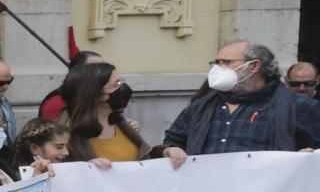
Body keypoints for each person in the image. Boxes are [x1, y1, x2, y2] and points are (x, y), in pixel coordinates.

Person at [162, 41, 320, 162]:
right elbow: (172, 141)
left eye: (227, 62)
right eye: (217, 62)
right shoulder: (201, 106)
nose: (218, 68)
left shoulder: (300, 107)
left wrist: (307, 158)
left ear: (254, 66)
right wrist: (171, 150)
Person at [57, 59, 147, 164]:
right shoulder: (64, 136)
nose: (122, 87)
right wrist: (87, 169)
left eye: (122, 81)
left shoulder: (123, 125)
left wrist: (165, 151)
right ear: (96, 94)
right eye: (116, 83)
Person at [39, 49, 103, 121]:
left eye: (103, 68)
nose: (103, 73)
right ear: (78, 72)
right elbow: (53, 131)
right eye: (95, 69)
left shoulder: (100, 96)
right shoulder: (57, 100)